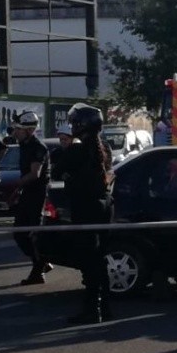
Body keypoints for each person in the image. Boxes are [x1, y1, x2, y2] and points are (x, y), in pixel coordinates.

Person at [53, 103, 114, 324]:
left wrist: (69, 173)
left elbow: (57, 169)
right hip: (104, 207)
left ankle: (92, 309)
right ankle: (104, 306)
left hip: (86, 208)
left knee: (89, 260)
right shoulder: (103, 147)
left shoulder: (78, 150)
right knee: (100, 259)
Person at [9, 110, 52, 285]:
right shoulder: (24, 146)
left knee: (33, 234)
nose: (15, 132)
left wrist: (17, 185)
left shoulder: (38, 147)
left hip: (38, 195)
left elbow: (35, 174)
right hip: (28, 193)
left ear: (29, 130)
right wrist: (18, 191)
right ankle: (40, 263)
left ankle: (38, 270)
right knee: (19, 233)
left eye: (18, 129)